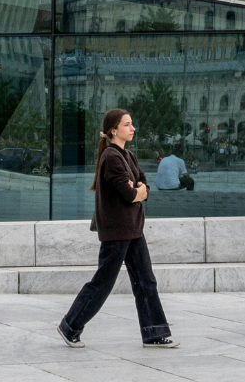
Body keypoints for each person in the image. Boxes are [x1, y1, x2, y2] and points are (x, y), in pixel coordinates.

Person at [57, 109, 177, 349]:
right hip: (117, 231)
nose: (133, 128)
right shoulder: (111, 157)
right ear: (114, 130)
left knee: (146, 281)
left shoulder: (129, 156)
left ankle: (153, 333)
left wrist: (139, 190)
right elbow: (129, 194)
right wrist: (137, 191)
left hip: (133, 229)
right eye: (127, 124)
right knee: (103, 283)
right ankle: (70, 326)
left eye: (132, 124)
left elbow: (144, 187)